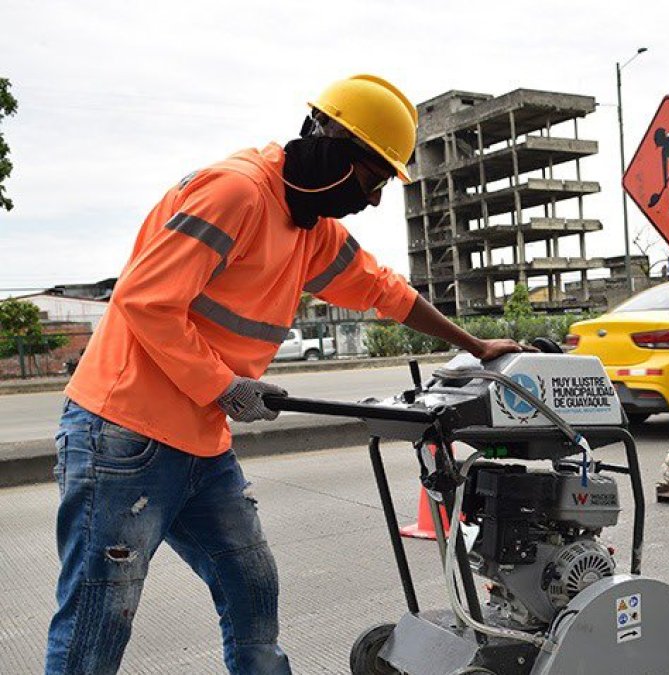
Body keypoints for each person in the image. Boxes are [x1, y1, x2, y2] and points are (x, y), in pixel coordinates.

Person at [45, 75, 527, 675]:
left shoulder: (311, 229)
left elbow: (385, 291)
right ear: (331, 150)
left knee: (252, 591)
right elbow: (145, 301)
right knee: (99, 617)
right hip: (124, 436)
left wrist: (474, 344)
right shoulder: (236, 192)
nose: (374, 199)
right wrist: (224, 386)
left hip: (201, 444)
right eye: (372, 180)